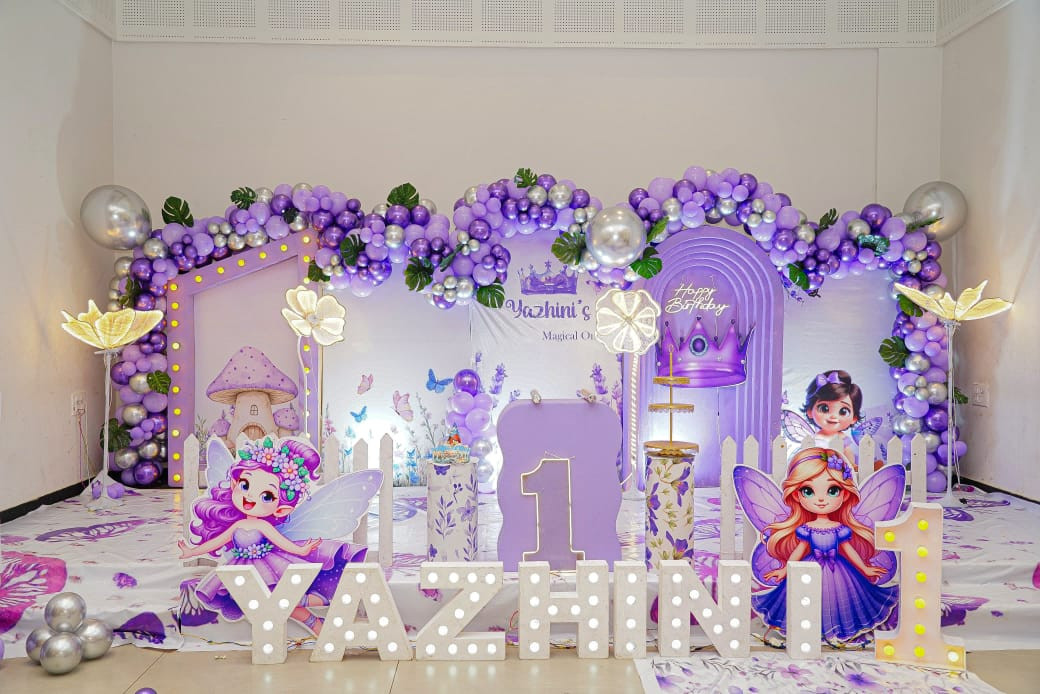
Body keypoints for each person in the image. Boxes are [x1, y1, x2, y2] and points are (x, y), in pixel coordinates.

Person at [180, 437, 369, 634]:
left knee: (278, 598)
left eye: (266, 496)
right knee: (269, 601)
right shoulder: (237, 525)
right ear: (234, 485)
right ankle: (313, 618)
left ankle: (311, 606)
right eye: (245, 485)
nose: (250, 496)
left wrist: (301, 550)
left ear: (280, 509)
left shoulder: (263, 526)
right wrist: (191, 551)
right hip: (241, 567)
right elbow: (217, 542)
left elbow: (282, 542)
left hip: (268, 566)